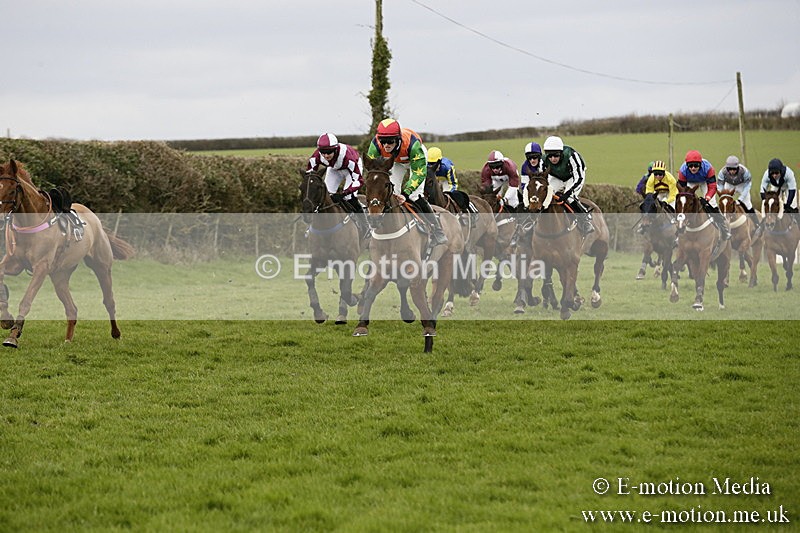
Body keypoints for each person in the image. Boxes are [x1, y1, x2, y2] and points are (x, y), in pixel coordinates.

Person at [367, 118, 447, 245]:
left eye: (390, 142)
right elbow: (372, 168)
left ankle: (436, 229)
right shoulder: (375, 144)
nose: (386, 145)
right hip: (396, 162)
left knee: (414, 196)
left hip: (415, 162)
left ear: (398, 139)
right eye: (383, 141)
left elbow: (419, 173)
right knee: (392, 193)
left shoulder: (413, 146)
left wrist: (405, 194)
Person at [306, 132, 369, 237]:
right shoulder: (316, 156)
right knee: (325, 196)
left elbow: (359, 181)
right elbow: (309, 175)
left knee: (349, 197)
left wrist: (343, 193)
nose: (326, 155)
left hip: (351, 169)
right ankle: (313, 227)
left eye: (329, 152)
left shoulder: (348, 157)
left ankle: (365, 225)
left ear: (335, 149)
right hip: (334, 169)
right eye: (323, 152)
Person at [542, 135, 594, 236]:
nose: (553, 159)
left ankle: (585, 219)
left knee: (569, 198)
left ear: (561, 153)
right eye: (550, 156)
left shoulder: (572, 156)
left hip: (573, 177)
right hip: (557, 177)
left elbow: (579, 178)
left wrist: (567, 193)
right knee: (547, 195)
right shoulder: (543, 160)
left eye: (556, 155)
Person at [678, 150, 730, 240]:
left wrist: (708, 197)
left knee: (712, 204)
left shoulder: (708, 168)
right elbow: (682, 191)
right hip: (690, 182)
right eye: (690, 166)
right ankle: (679, 230)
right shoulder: (682, 171)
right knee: (684, 204)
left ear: (700, 164)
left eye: (696, 165)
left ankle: (723, 228)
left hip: (705, 182)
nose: (693, 168)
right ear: (686, 165)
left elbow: (713, 186)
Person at [426, 146, 474, 215]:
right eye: (430, 163)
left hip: (446, 182)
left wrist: (448, 193)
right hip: (434, 181)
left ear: (440, 161)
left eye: (434, 163)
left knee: (455, 195)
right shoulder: (425, 167)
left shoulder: (447, 166)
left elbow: (453, 184)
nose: (432, 166)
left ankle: (468, 209)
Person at [717, 155, 759, 232]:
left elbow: (748, 185)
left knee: (748, 204)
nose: (732, 171)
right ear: (727, 168)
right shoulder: (722, 172)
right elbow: (720, 185)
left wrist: (740, 199)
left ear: (738, 168)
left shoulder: (744, 172)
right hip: (729, 184)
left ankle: (757, 224)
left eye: (734, 169)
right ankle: (721, 223)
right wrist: (722, 194)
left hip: (742, 185)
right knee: (724, 203)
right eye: (730, 169)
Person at [760, 158, 798, 225]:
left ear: (781, 171)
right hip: (776, 187)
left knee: (793, 206)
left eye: (777, 173)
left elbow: (792, 190)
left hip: (788, 187)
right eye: (772, 173)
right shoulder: (766, 175)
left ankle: (797, 222)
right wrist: (766, 200)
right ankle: (762, 227)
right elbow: (762, 190)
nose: (774, 175)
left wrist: (788, 204)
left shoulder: (789, 173)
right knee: (771, 203)